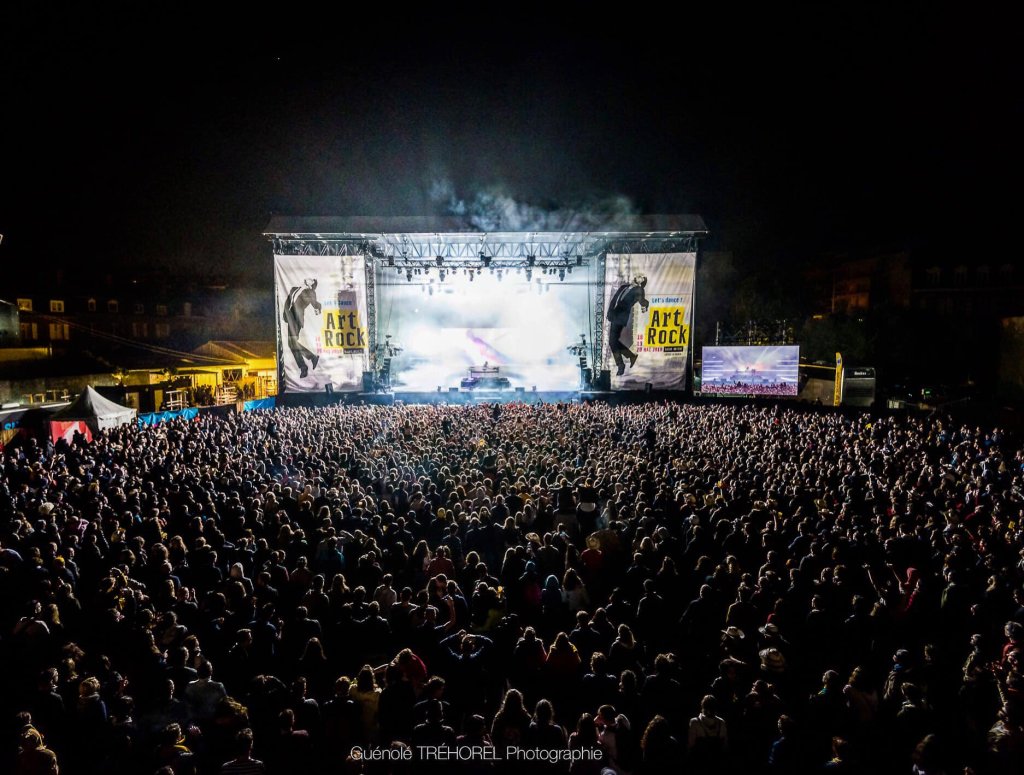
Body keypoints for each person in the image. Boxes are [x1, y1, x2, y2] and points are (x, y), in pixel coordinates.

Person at [606, 274, 649, 376]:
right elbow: (614, 300)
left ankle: (621, 365)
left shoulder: (639, 289)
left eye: (641, 277)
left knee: (612, 342)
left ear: (641, 282)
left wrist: (645, 306)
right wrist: (609, 312)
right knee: (613, 342)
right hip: (614, 315)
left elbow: (642, 300)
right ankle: (630, 356)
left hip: (620, 318)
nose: (638, 276)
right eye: (639, 275)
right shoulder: (624, 287)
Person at [282, 277, 322, 378]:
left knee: (293, 343)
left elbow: (315, 303)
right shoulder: (294, 289)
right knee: (291, 344)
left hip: (297, 319)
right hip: (291, 318)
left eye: (312, 280)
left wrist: (318, 308)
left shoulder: (311, 292)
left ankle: (305, 365)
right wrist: (285, 315)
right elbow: (288, 302)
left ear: (312, 284)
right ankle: (309, 360)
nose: (309, 278)